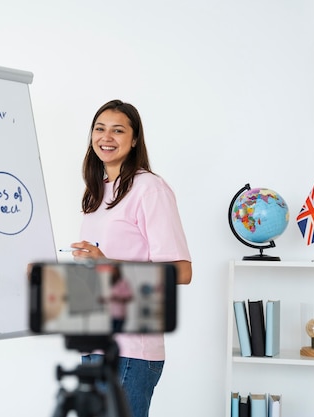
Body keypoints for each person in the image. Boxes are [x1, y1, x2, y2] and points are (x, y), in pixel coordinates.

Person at [68, 99, 192, 417]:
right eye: (99, 129)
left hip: (131, 348)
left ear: (134, 139)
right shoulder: (97, 192)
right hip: (96, 340)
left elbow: (181, 271)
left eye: (118, 130)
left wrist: (106, 264)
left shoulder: (150, 189)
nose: (106, 137)